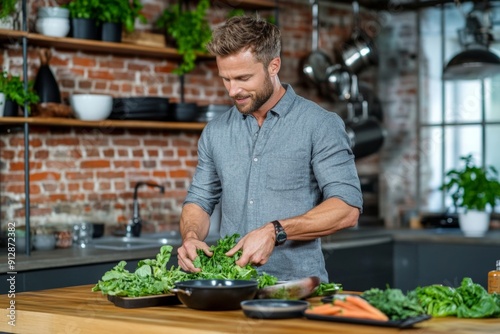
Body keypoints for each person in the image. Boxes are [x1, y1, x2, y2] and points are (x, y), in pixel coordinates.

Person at [177, 15, 363, 282]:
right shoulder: (215, 132)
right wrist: (191, 236)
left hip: (297, 290)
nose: (233, 90)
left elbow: (347, 208)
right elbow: (199, 201)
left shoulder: (320, 125)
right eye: (226, 79)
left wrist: (275, 231)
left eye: (243, 78)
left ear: (273, 66)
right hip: (231, 287)